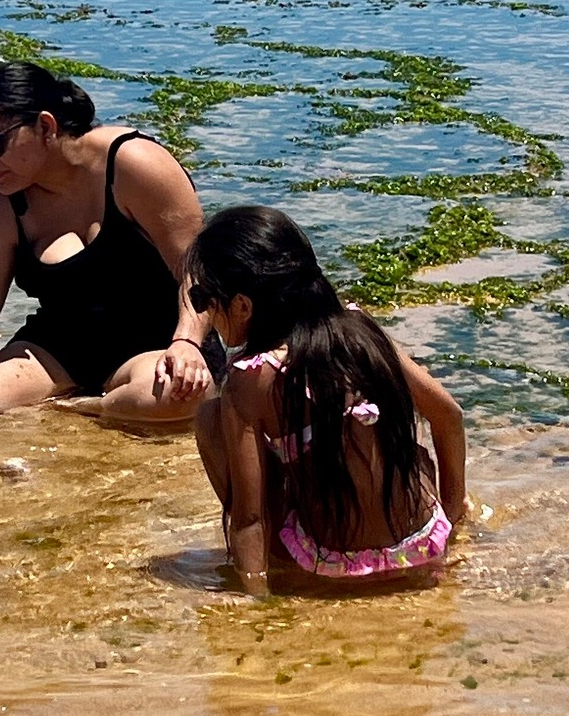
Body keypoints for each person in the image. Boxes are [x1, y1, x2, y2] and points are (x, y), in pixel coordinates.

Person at [187, 206, 467, 596]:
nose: (202, 310)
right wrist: (452, 516)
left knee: (210, 418)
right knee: (411, 452)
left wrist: (256, 600)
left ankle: (292, 567)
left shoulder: (249, 380)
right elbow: (449, 415)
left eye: (203, 297)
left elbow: (250, 519)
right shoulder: (361, 331)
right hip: (419, 547)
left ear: (242, 306)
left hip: (331, 565)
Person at [0, 61, 218, 419]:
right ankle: (91, 403)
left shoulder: (134, 165)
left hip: (160, 339)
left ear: (45, 126)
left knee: (176, 396)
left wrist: (186, 342)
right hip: (60, 348)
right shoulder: (7, 208)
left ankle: (81, 408)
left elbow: (198, 272)